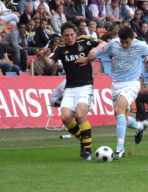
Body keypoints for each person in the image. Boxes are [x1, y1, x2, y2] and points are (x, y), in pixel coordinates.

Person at [88, 27, 148, 160]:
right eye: (122, 42)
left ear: (132, 39)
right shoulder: (114, 44)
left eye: (127, 42)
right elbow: (100, 53)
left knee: (118, 110)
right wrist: (87, 58)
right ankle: (140, 126)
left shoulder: (139, 46)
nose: (124, 45)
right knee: (123, 117)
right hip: (116, 84)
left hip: (132, 84)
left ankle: (120, 148)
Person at [39, 22, 106, 160]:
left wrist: (92, 53)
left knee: (81, 115)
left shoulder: (85, 41)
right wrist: (43, 56)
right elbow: (49, 64)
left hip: (85, 85)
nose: (69, 38)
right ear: (62, 36)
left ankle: (87, 151)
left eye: (71, 35)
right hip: (69, 87)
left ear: (76, 34)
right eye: (66, 36)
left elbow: (104, 42)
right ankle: (84, 139)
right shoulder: (60, 48)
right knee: (66, 118)